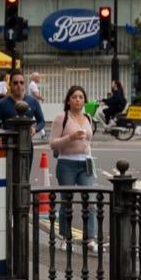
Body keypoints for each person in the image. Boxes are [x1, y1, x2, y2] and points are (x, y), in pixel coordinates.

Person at [50, 86, 97, 252]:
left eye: (81, 97)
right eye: (74, 97)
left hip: (86, 163)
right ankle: (65, 237)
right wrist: (70, 137)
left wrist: (87, 150)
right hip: (66, 164)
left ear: (84, 101)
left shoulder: (88, 117)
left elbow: (89, 140)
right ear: (68, 100)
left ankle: (90, 239)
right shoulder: (61, 118)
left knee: (90, 201)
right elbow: (53, 143)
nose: (78, 100)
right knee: (67, 202)